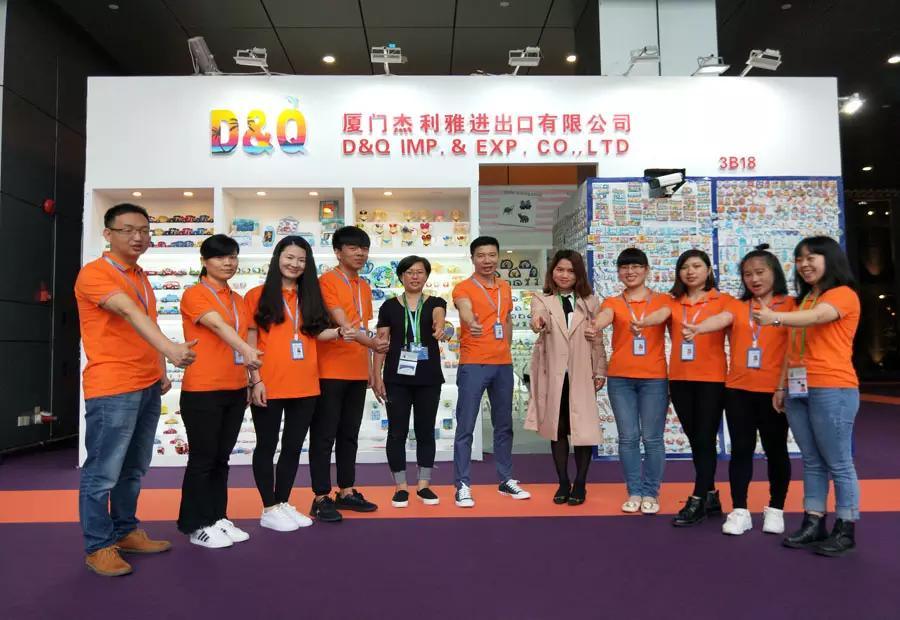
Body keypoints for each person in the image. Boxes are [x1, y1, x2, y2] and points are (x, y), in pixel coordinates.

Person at [76, 203, 197, 576]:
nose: (138, 237)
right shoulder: (95, 274)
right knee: (102, 471)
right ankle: (99, 546)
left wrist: (160, 368)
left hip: (145, 385)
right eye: (128, 229)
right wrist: (172, 350)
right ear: (108, 233)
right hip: (113, 387)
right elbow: (128, 312)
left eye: (144, 230)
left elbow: (146, 322)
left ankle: (126, 530)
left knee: (134, 468)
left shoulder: (141, 275)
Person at [754, 236, 861, 557]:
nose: (804, 264)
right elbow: (792, 346)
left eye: (812, 257)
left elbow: (817, 319)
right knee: (812, 461)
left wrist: (774, 317)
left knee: (839, 462)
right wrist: (781, 385)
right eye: (799, 259)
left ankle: (846, 527)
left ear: (831, 260)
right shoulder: (806, 299)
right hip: (799, 389)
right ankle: (814, 521)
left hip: (832, 386)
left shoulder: (842, 295)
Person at [683, 245, 795, 536]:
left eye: (760, 272)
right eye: (748, 274)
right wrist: (699, 328)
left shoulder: (790, 306)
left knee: (776, 450)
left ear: (775, 273)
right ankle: (740, 510)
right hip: (738, 390)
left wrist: (783, 386)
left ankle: (776, 508)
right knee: (741, 451)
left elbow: (793, 352)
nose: (754, 279)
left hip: (774, 391)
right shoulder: (737, 305)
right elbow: (721, 320)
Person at [245, 236, 342, 532]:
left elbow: (316, 334)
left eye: (301, 259)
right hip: (269, 384)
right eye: (289, 257)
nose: (295, 264)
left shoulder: (310, 297)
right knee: (266, 445)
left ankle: (283, 502)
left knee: (292, 447)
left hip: (306, 386)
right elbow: (249, 341)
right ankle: (269, 507)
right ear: (277, 258)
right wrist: (255, 380)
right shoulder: (257, 295)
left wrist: (342, 332)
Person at [636, 249, 733, 526]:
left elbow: (725, 320)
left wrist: (701, 327)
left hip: (712, 380)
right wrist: (644, 322)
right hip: (679, 379)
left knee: (704, 438)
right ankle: (711, 494)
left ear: (708, 270)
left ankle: (699, 497)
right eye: (684, 267)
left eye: (696, 266)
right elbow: (661, 313)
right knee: (696, 439)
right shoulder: (673, 301)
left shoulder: (722, 300)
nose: (690, 272)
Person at [177, 234, 262, 549]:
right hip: (203, 389)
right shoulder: (194, 294)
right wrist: (246, 350)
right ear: (204, 261)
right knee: (203, 458)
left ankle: (216, 517)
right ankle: (194, 523)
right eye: (220, 257)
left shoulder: (238, 300)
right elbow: (217, 326)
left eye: (233, 256)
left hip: (235, 387)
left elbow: (246, 337)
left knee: (221, 458)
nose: (228, 262)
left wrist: (254, 378)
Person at [309, 226, 389, 522]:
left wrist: (370, 367)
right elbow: (344, 324)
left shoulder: (364, 286)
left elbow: (363, 324)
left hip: (356, 371)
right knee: (323, 435)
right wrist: (376, 344)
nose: (360, 253)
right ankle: (320, 496)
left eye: (364, 248)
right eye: (353, 248)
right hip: (329, 370)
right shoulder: (327, 281)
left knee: (349, 435)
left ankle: (346, 490)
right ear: (338, 252)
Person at [452, 235, 531, 508]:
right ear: (472, 258)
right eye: (481, 255)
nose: (487, 260)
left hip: (502, 364)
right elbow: (464, 308)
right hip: (474, 363)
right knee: (466, 426)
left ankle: (505, 479)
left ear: (497, 256)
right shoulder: (463, 287)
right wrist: (470, 321)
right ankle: (462, 485)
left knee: (504, 425)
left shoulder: (505, 287)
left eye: (492, 255)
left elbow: (506, 318)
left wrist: (505, 349)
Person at [525, 250, 606, 505]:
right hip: (554, 375)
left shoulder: (591, 302)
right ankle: (562, 481)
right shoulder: (543, 299)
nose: (564, 275)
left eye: (570, 271)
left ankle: (580, 483)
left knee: (582, 429)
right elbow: (536, 317)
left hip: (583, 372)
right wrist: (537, 323)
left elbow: (598, 340)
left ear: (578, 274)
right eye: (560, 269)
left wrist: (601, 369)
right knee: (557, 428)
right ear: (552, 272)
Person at [593, 248, 669, 515]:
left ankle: (651, 492)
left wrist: (646, 320)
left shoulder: (662, 300)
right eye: (624, 267)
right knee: (627, 438)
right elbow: (604, 318)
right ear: (618, 272)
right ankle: (634, 491)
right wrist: (594, 326)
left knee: (652, 439)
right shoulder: (613, 302)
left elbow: (662, 316)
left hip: (654, 379)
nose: (630, 271)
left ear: (647, 270)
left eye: (636, 266)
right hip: (620, 379)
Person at [372, 256, 447, 508]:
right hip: (396, 379)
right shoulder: (389, 306)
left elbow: (440, 317)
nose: (415, 276)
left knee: (426, 431)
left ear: (427, 276)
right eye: (409, 272)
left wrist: (441, 326)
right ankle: (401, 486)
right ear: (401, 276)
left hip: (428, 378)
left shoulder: (436, 302)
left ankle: (424, 485)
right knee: (397, 432)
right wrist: (376, 374)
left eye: (420, 272)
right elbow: (381, 343)